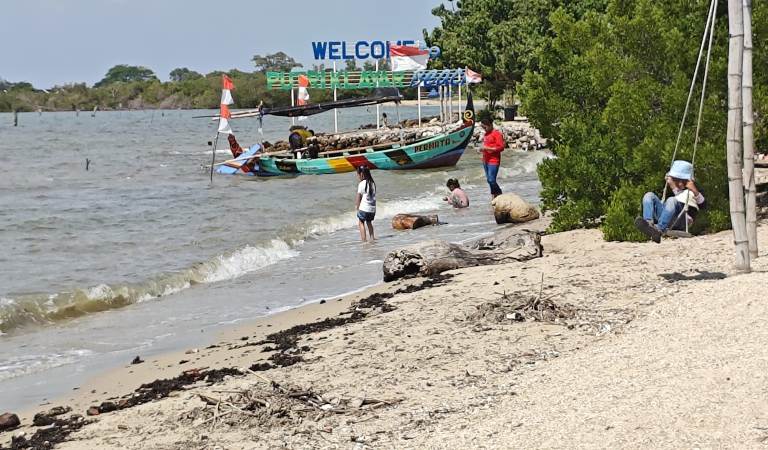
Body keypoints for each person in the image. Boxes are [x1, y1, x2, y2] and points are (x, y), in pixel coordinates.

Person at [634, 160, 707, 243]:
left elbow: (703, 205)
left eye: (681, 181)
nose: (679, 183)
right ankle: (648, 224)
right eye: (676, 180)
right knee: (649, 195)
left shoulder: (694, 189)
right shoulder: (672, 188)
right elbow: (672, 199)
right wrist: (672, 186)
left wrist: (694, 190)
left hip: (682, 220)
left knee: (672, 200)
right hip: (667, 217)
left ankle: (659, 229)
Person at [478, 118, 505, 199]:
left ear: (490, 125)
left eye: (485, 127)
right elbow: (487, 146)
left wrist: (487, 148)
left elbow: (501, 147)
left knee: (491, 180)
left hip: (494, 160)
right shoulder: (486, 134)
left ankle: (499, 192)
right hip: (485, 160)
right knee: (488, 180)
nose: (484, 129)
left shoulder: (497, 134)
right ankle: (494, 195)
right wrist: (482, 150)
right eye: (482, 127)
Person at [355, 166, 376, 242]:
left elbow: (358, 197)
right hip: (372, 209)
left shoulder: (361, 184)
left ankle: (364, 240)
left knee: (361, 223)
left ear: (361, 174)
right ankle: (372, 238)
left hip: (364, 208)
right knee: (369, 222)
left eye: (358, 174)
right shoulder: (372, 183)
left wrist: (357, 207)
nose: (358, 176)